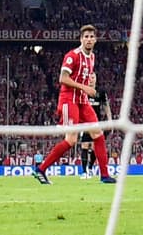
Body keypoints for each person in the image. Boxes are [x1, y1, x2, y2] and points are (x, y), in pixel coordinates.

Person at [33, 24, 115, 185]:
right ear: (81, 39)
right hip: (69, 99)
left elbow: (84, 76)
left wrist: (88, 85)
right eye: (86, 37)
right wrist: (85, 87)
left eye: (91, 37)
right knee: (71, 139)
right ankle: (41, 169)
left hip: (82, 101)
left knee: (98, 134)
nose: (89, 39)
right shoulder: (72, 56)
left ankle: (105, 175)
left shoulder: (92, 57)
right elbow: (63, 79)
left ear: (96, 40)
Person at [79, 81, 113, 180]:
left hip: (96, 122)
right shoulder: (83, 90)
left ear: (95, 79)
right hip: (85, 122)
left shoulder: (100, 92)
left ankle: (89, 168)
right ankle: (84, 172)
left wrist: (110, 119)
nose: (91, 79)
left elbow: (106, 106)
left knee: (95, 146)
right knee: (84, 145)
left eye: (93, 77)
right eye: (90, 77)